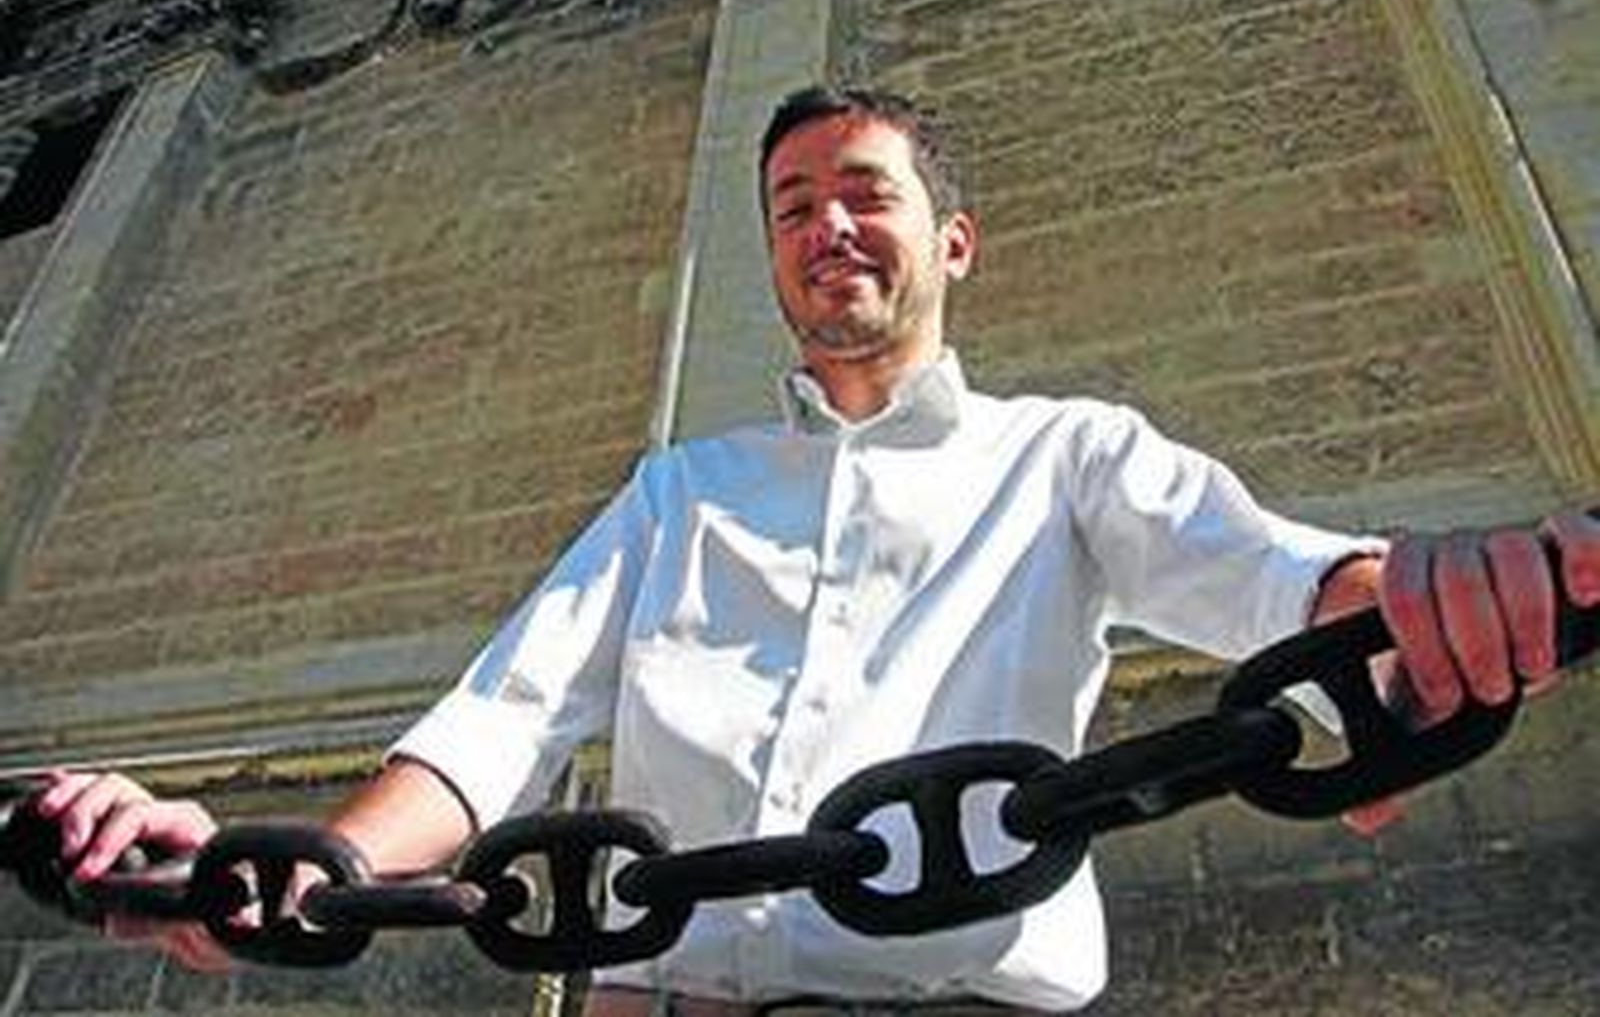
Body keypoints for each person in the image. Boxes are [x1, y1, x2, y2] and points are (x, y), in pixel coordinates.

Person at [33, 86, 1600, 1012]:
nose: (827, 228)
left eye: (866, 193)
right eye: (792, 206)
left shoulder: (1073, 455)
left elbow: (1275, 578)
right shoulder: (675, 496)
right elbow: (498, 725)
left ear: (952, 240)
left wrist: (1408, 601)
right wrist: (291, 872)